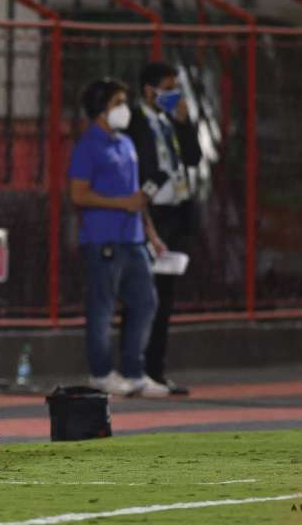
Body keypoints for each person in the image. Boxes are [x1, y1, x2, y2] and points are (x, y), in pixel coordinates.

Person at [68, 78, 170, 399]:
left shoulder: (126, 144)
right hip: (104, 238)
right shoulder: (88, 146)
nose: (124, 109)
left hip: (134, 237)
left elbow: (136, 195)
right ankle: (101, 374)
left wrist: (151, 233)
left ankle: (134, 372)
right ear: (101, 109)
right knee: (102, 307)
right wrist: (120, 204)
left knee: (145, 301)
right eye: (118, 103)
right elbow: (79, 194)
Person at [126, 63, 203, 396]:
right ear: (149, 89)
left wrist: (185, 122)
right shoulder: (135, 121)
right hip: (150, 214)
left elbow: (194, 158)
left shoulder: (172, 120)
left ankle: (156, 370)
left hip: (176, 214)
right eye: (169, 88)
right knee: (143, 295)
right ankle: (134, 369)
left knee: (165, 297)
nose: (174, 95)